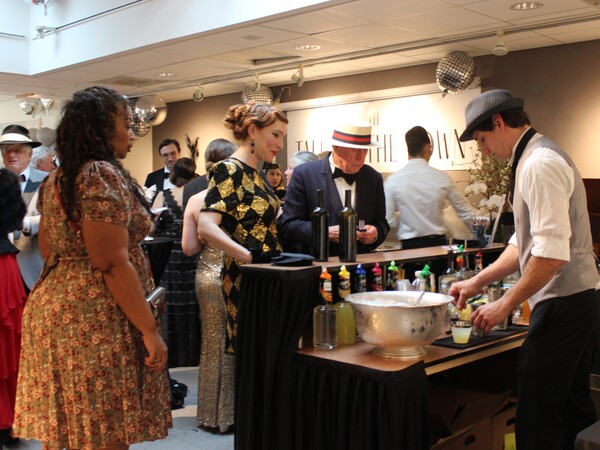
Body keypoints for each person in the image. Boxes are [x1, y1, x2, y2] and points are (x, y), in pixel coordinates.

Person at [13, 86, 172, 449]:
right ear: (102, 128)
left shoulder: (57, 179)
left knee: (68, 428)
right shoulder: (99, 173)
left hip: (57, 310)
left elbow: (51, 249)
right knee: (105, 430)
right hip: (95, 317)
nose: (131, 134)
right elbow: (110, 262)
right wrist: (149, 330)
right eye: (126, 124)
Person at [450, 89, 600, 450]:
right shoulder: (534, 157)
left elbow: (551, 255)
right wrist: (477, 282)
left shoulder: (538, 164)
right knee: (572, 408)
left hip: (564, 303)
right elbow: (524, 243)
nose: (484, 150)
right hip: (578, 301)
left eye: (482, 139)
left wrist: (504, 305)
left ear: (499, 122)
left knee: (536, 417)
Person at [198, 102, 286, 354]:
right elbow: (206, 226)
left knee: (268, 347)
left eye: (282, 137)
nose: (280, 144)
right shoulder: (228, 170)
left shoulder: (256, 175)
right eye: (276, 135)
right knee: (254, 349)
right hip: (246, 276)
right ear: (252, 131)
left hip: (266, 272)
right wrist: (247, 256)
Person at [181, 138, 236, 432]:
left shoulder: (195, 199)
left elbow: (189, 248)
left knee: (212, 343)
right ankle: (232, 413)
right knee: (235, 343)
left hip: (206, 274)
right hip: (235, 274)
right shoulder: (238, 197)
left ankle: (210, 415)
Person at [279, 121, 389, 256]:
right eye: (355, 149)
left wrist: (375, 233)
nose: (361, 156)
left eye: (365, 150)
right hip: (318, 263)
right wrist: (325, 232)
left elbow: (382, 223)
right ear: (336, 147)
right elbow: (288, 225)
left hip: (362, 264)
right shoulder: (304, 175)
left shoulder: (373, 177)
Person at [384, 125, 474, 249]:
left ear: (408, 149)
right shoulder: (442, 178)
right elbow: (465, 213)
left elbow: (388, 220)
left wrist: (407, 219)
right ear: (427, 148)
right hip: (438, 248)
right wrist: (482, 238)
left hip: (409, 249)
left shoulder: (393, 181)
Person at [151, 157, 201, 368]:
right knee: (193, 305)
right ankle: (194, 355)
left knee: (171, 306)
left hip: (170, 258)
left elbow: (152, 228)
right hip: (194, 255)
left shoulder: (163, 196)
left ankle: (173, 355)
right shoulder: (199, 196)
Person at [0, 124, 48, 291]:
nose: (11, 154)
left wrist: (27, 223)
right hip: (4, 269)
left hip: (35, 268)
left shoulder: (48, 181)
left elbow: (55, 217)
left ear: (30, 153)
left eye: (18, 150)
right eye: (6, 150)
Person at [0, 169, 27, 447]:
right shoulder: (6, 181)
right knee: (8, 343)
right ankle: (9, 423)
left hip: (4, 265)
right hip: (5, 265)